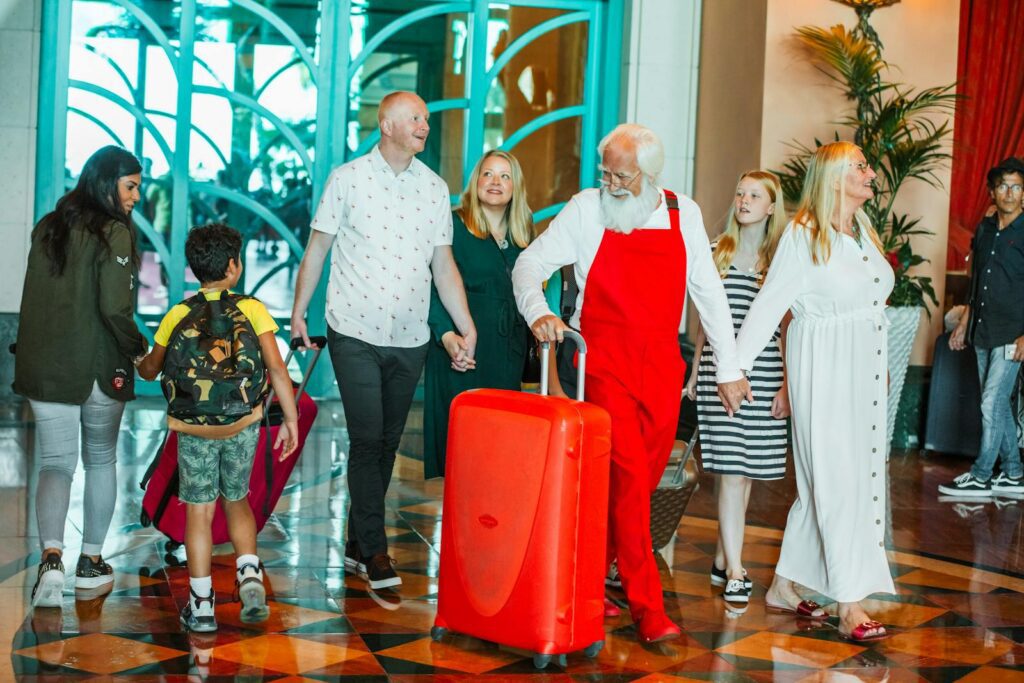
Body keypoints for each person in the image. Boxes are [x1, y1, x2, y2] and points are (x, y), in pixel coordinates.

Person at [512, 123, 752, 643]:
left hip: (663, 368)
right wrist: (538, 314)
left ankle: (586, 586)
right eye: (606, 173)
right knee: (625, 483)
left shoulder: (681, 212)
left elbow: (708, 292)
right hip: (602, 366)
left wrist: (729, 369)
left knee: (638, 485)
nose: (611, 184)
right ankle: (649, 607)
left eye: (621, 176)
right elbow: (528, 264)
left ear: (648, 173)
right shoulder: (585, 208)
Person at [290, 91, 476, 590]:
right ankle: (376, 551)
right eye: (416, 117)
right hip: (353, 331)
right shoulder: (347, 180)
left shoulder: (435, 189)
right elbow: (318, 249)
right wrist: (297, 313)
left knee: (387, 443)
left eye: (427, 119)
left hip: (410, 336)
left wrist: (465, 324)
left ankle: (356, 542)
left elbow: (443, 264)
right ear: (388, 124)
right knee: (368, 437)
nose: (425, 126)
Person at [734, 141, 895, 642]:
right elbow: (768, 306)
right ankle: (850, 603)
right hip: (823, 367)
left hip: (861, 369)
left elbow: (871, 300)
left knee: (833, 479)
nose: (871, 173)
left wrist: (879, 360)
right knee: (836, 479)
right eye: (860, 167)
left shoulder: (863, 231)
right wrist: (733, 368)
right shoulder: (803, 236)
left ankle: (783, 586)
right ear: (833, 178)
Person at [136, 223, 299, 632]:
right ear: (234, 266)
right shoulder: (253, 308)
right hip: (242, 421)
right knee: (237, 498)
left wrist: (140, 358)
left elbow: (152, 371)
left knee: (199, 511)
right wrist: (290, 419)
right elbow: (277, 367)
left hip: (193, 428)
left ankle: (202, 604)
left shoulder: (178, 313)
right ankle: (247, 573)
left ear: (194, 269)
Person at [14, 145, 148, 609]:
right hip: (96, 366)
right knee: (99, 459)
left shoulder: (47, 227)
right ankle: (91, 562)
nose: (135, 198)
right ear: (106, 182)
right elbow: (115, 307)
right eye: (130, 186)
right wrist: (139, 347)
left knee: (54, 463)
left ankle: (51, 560)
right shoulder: (113, 232)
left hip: (44, 367)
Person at [682, 170, 791, 606]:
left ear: (771, 207)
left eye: (755, 195)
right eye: (740, 192)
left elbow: (785, 329)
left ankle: (724, 557)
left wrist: (785, 384)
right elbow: (707, 325)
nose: (744, 200)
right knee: (730, 470)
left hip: (765, 375)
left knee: (746, 474)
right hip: (720, 374)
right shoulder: (714, 253)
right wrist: (694, 375)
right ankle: (738, 571)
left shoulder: (781, 262)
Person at [423, 150, 533, 479]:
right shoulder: (453, 224)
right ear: (476, 182)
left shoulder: (524, 233)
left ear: (516, 187)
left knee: (499, 450)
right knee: (463, 450)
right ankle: (463, 525)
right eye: (487, 174)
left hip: (506, 353)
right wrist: (447, 337)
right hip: (460, 349)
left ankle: (492, 525)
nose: (495, 182)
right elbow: (428, 285)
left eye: (504, 176)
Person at [939, 157, 1024, 497]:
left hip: (1011, 333)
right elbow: (976, 283)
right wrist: (964, 321)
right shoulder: (986, 229)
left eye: (1016, 186)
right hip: (982, 330)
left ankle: (982, 474)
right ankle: (1015, 473)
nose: (1009, 192)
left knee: (990, 402)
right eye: (1003, 186)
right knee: (997, 404)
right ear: (992, 191)